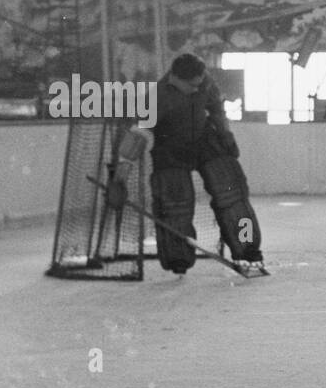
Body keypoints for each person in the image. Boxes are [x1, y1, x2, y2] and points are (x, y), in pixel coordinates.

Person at [110, 52, 264, 275]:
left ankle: (247, 247)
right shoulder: (156, 100)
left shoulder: (204, 81)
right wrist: (120, 174)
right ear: (175, 78)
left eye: (199, 84)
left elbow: (216, 108)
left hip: (205, 141)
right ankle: (177, 257)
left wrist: (225, 135)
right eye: (191, 86)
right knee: (174, 205)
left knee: (233, 194)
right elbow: (137, 135)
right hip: (170, 148)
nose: (196, 89)